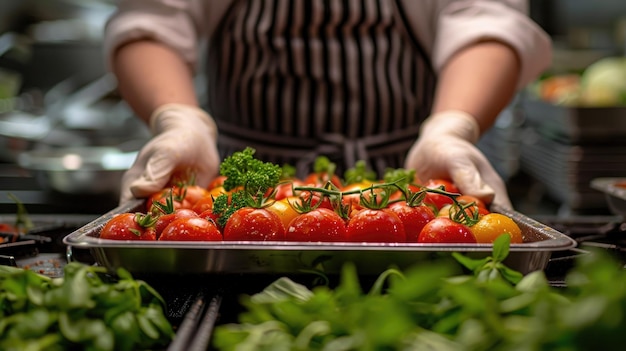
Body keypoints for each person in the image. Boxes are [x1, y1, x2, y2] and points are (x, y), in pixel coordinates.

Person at [104, 0, 552, 209]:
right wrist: (179, 120)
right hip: (232, 193)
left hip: (410, 187)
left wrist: (451, 128)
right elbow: (151, 20)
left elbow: (486, 19)